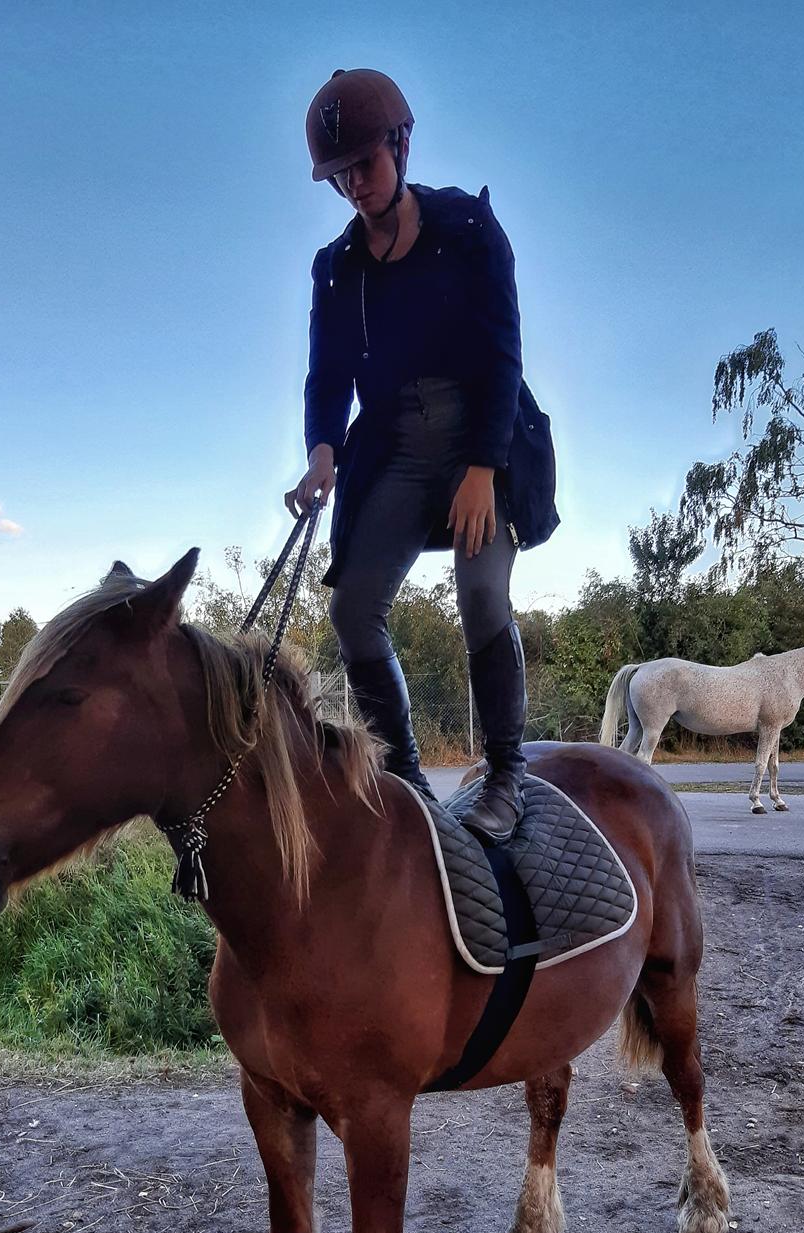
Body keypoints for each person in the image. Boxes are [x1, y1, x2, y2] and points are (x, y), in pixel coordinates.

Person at [285, 68, 559, 845]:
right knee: (351, 608)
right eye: (337, 175)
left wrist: (481, 470)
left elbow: (505, 356)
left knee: (480, 594)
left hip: (483, 438)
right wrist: (322, 452)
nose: (353, 187)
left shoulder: (468, 229)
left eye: (364, 165)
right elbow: (328, 374)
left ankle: (507, 771)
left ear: (401, 145)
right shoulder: (335, 268)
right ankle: (406, 778)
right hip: (397, 450)